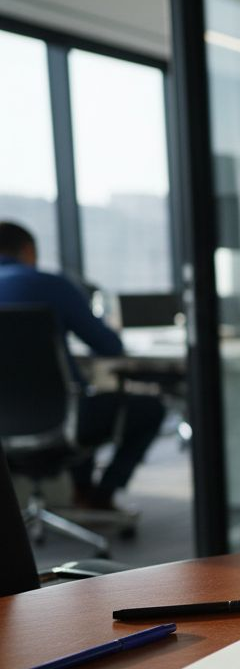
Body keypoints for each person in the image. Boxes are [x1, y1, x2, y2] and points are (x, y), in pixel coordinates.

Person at [0, 221, 166, 519]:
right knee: (147, 409)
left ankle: (78, 492)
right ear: (27, 250)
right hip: (62, 419)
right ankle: (98, 497)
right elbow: (109, 347)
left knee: (82, 400)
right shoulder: (50, 284)